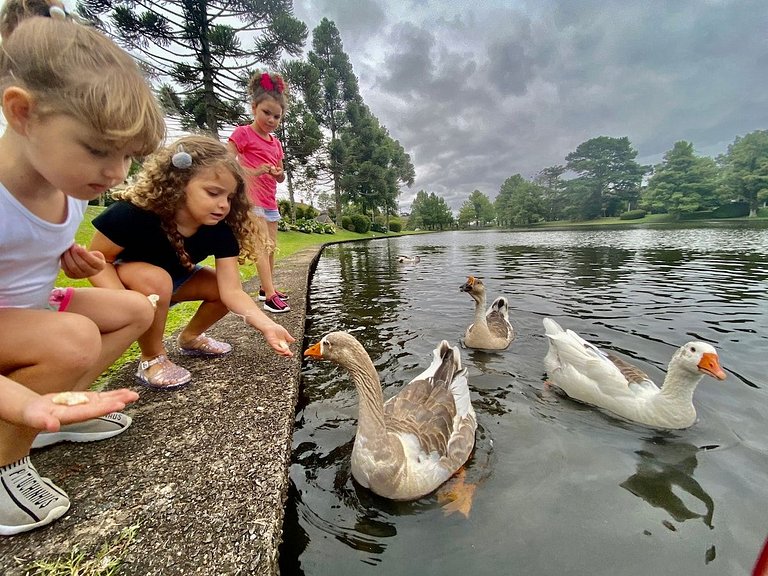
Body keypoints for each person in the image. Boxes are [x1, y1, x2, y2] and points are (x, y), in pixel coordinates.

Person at [0, 0, 166, 535]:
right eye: (98, 150)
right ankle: (5, 458)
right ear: (21, 113)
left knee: (136, 309)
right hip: (17, 323)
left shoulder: (68, 187)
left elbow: (30, 251)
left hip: (29, 311)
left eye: (127, 157)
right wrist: (19, 403)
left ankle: (54, 415)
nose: (116, 173)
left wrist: (72, 261)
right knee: (73, 337)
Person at [88, 134, 296, 390]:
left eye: (229, 198)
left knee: (219, 288)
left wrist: (268, 326)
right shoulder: (135, 213)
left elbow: (231, 291)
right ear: (179, 183)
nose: (223, 205)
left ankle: (191, 337)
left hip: (177, 279)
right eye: (213, 193)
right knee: (157, 280)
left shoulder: (220, 229)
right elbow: (99, 259)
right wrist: (123, 302)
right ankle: (152, 358)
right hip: (133, 280)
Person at [227, 71, 290, 314]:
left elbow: (281, 176)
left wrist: (276, 174)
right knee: (262, 246)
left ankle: (267, 288)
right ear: (254, 107)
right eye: (266, 113)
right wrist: (255, 171)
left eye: (277, 116)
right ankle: (270, 296)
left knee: (271, 246)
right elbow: (227, 162)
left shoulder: (276, 144)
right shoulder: (243, 133)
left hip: (270, 201)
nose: (271, 120)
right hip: (251, 200)